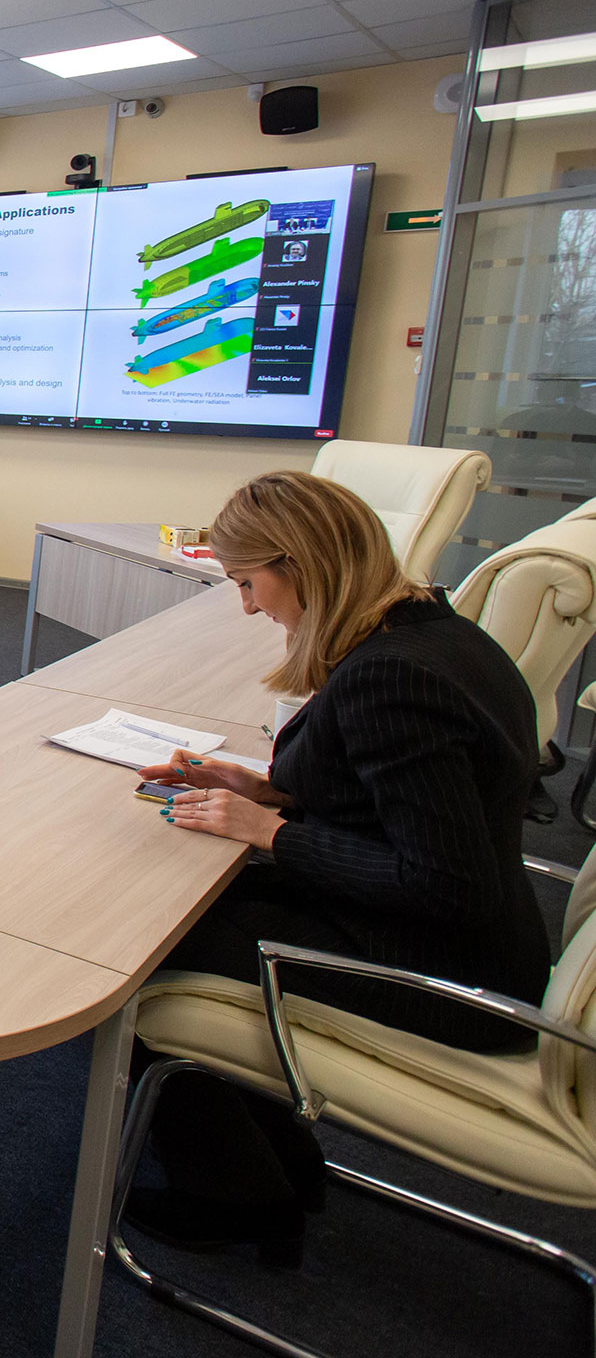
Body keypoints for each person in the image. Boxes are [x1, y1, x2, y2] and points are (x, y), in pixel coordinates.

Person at [126, 470, 548, 1258]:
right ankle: (278, 1158)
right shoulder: (436, 631)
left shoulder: (391, 677)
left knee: (146, 949)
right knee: (195, 902)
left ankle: (237, 1197)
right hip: (482, 944)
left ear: (300, 565)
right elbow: (405, 801)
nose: (248, 606)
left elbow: (448, 885)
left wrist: (270, 831)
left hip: (448, 974)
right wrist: (265, 789)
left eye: (248, 583)